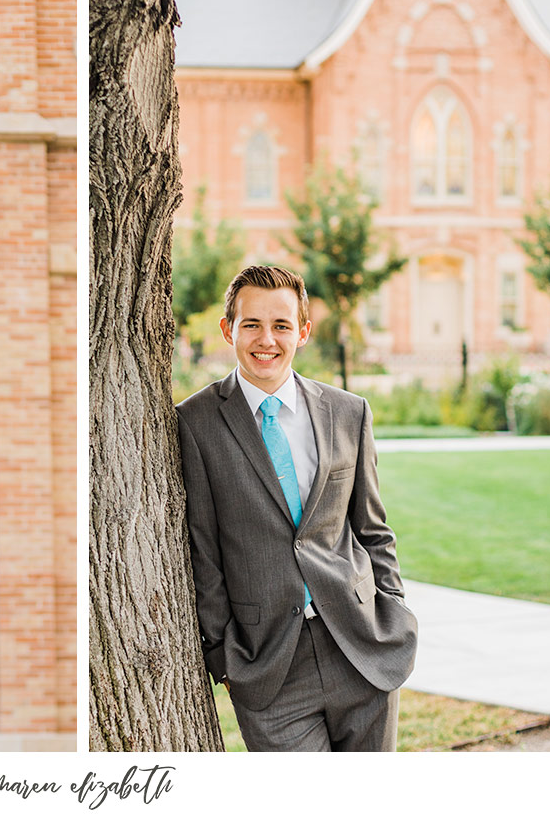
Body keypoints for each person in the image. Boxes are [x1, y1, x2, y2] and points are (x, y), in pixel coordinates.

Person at [176, 266, 417, 751]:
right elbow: (203, 548)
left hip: (361, 649)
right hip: (269, 669)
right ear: (229, 330)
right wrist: (224, 654)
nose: (267, 339)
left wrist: (393, 608)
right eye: (251, 324)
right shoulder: (195, 422)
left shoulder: (349, 413)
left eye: (281, 325)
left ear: (303, 332)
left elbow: (372, 528)